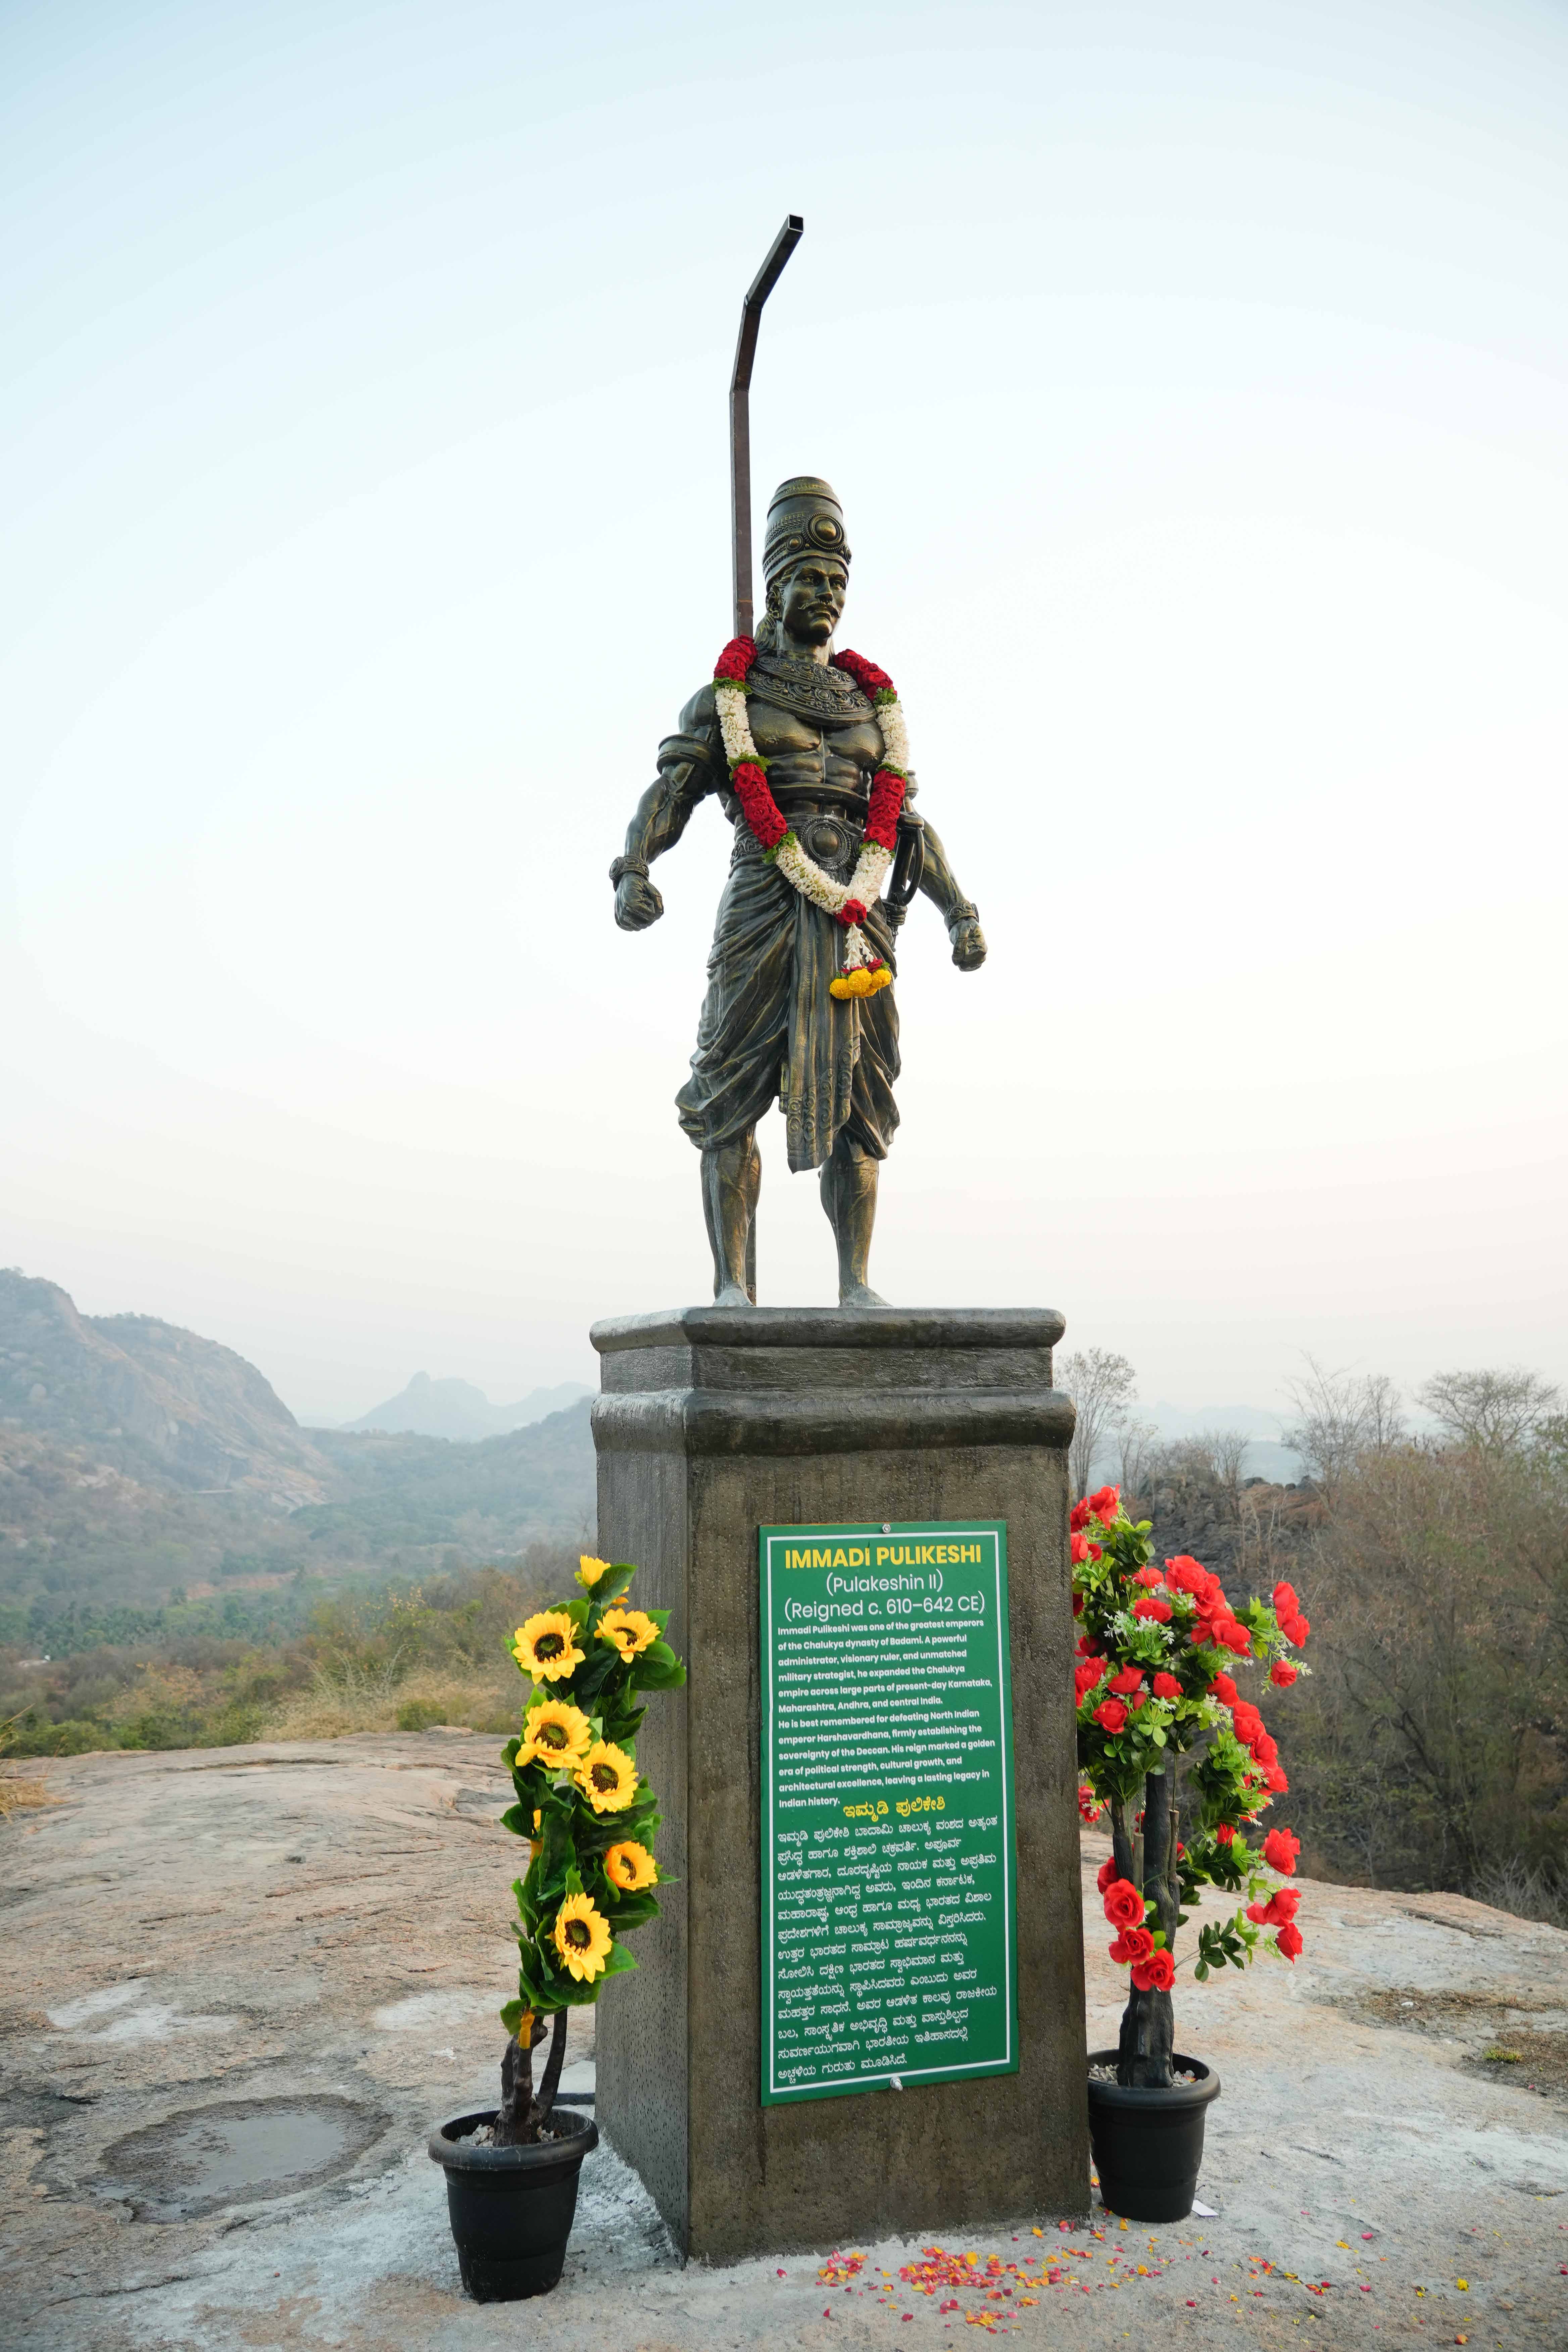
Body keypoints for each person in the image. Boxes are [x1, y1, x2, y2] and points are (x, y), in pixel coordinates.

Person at [610, 476, 986, 1308]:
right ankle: (730, 1288)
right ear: (775, 585)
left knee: (864, 1092)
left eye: (837, 582)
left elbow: (907, 824)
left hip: (858, 905)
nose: (826, 595)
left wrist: (956, 908)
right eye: (810, 579)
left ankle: (855, 1283)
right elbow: (672, 792)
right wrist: (635, 864)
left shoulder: (869, 707)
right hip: (763, 900)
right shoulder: (728, 700)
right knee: (728, 1084)